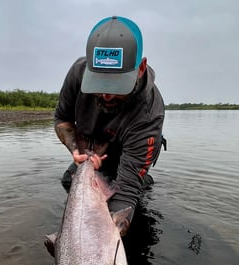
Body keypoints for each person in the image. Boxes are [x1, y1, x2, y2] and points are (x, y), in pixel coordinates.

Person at [54, 16, 166, 236]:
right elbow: (62, 119)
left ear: (141, 67)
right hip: (92, 148)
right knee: (69, 181)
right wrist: (76, 150)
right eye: (98, 83)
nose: (106, 94)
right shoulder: (77, 73)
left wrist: (106, 238)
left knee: (127, 199)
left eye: (116, 84)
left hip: (128, 154)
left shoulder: (149, 113)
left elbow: (125, 195)